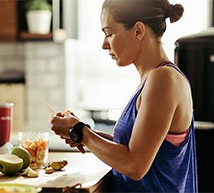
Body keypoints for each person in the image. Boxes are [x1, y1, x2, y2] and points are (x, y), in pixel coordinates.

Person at [50, 0, 198, 192]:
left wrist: (81, 133)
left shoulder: (163, 79)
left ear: (138, 31)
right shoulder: (153, 79)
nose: (104, 45)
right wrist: (84, 132)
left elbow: (134, 166)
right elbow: (135, 148)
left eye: (109, 34)